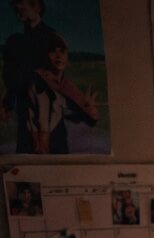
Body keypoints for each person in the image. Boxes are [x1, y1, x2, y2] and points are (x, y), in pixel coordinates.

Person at [25, 31, 97, 154]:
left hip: (58, 145)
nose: (58, 55)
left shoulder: (66, 85)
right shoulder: (39, 80)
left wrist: (90, 111)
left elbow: (90, 118)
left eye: (62, 51)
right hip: (39, 146)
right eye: (53, 51)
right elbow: (41, 125)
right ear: (45, 55)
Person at [1, 0, 58, 152]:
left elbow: (56, 72)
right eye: (17, 10)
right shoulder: (19, 39)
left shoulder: (50, 36)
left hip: (45, 99)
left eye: (23, 9)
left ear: (37, 7)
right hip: (24, 100)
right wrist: (7, 102)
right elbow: (14, 72)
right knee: (26, 148)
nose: (19, 14)